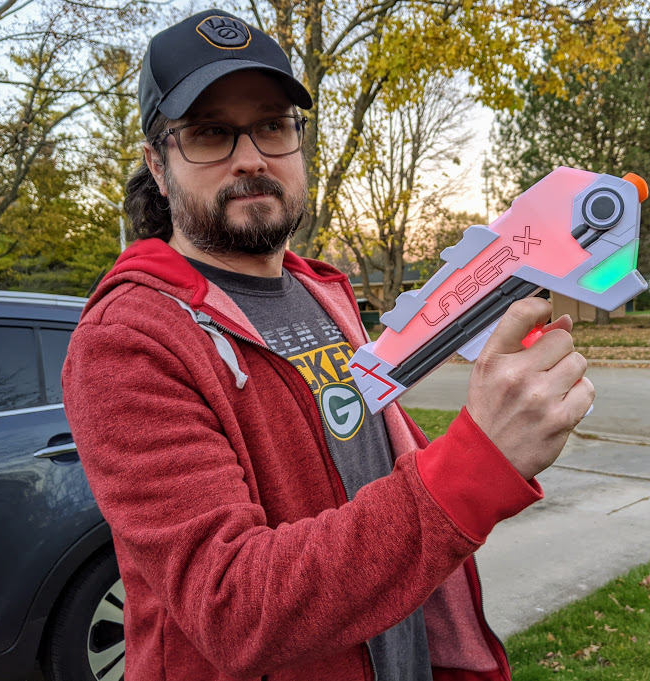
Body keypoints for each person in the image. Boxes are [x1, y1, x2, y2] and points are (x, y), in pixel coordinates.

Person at [62, 8, 594, 681]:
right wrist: (478, 462)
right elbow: (232, 606)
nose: (251, 156)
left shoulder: (325, 292)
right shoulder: (129, 340)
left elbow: (364, 474)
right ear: (158, 166)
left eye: (272, 126)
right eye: (209, 133)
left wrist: (513, 405)